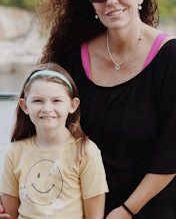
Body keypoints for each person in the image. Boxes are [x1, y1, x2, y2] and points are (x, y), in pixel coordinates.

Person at [0, 0, 176, 219]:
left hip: (148, 208)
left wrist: (127, 211)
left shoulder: (170, 55)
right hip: (77, 210)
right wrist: (13, 201)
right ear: (91, 2)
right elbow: (42, 130)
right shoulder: (73, 54)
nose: (112, 1)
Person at [0, 63, 108, 219]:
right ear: (24, 106)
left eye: (56, 100)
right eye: (37, 101)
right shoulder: (15, 151)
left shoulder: (86, 152)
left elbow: (94, 216)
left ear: (73, 105)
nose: (47, 108)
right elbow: (11, 213)